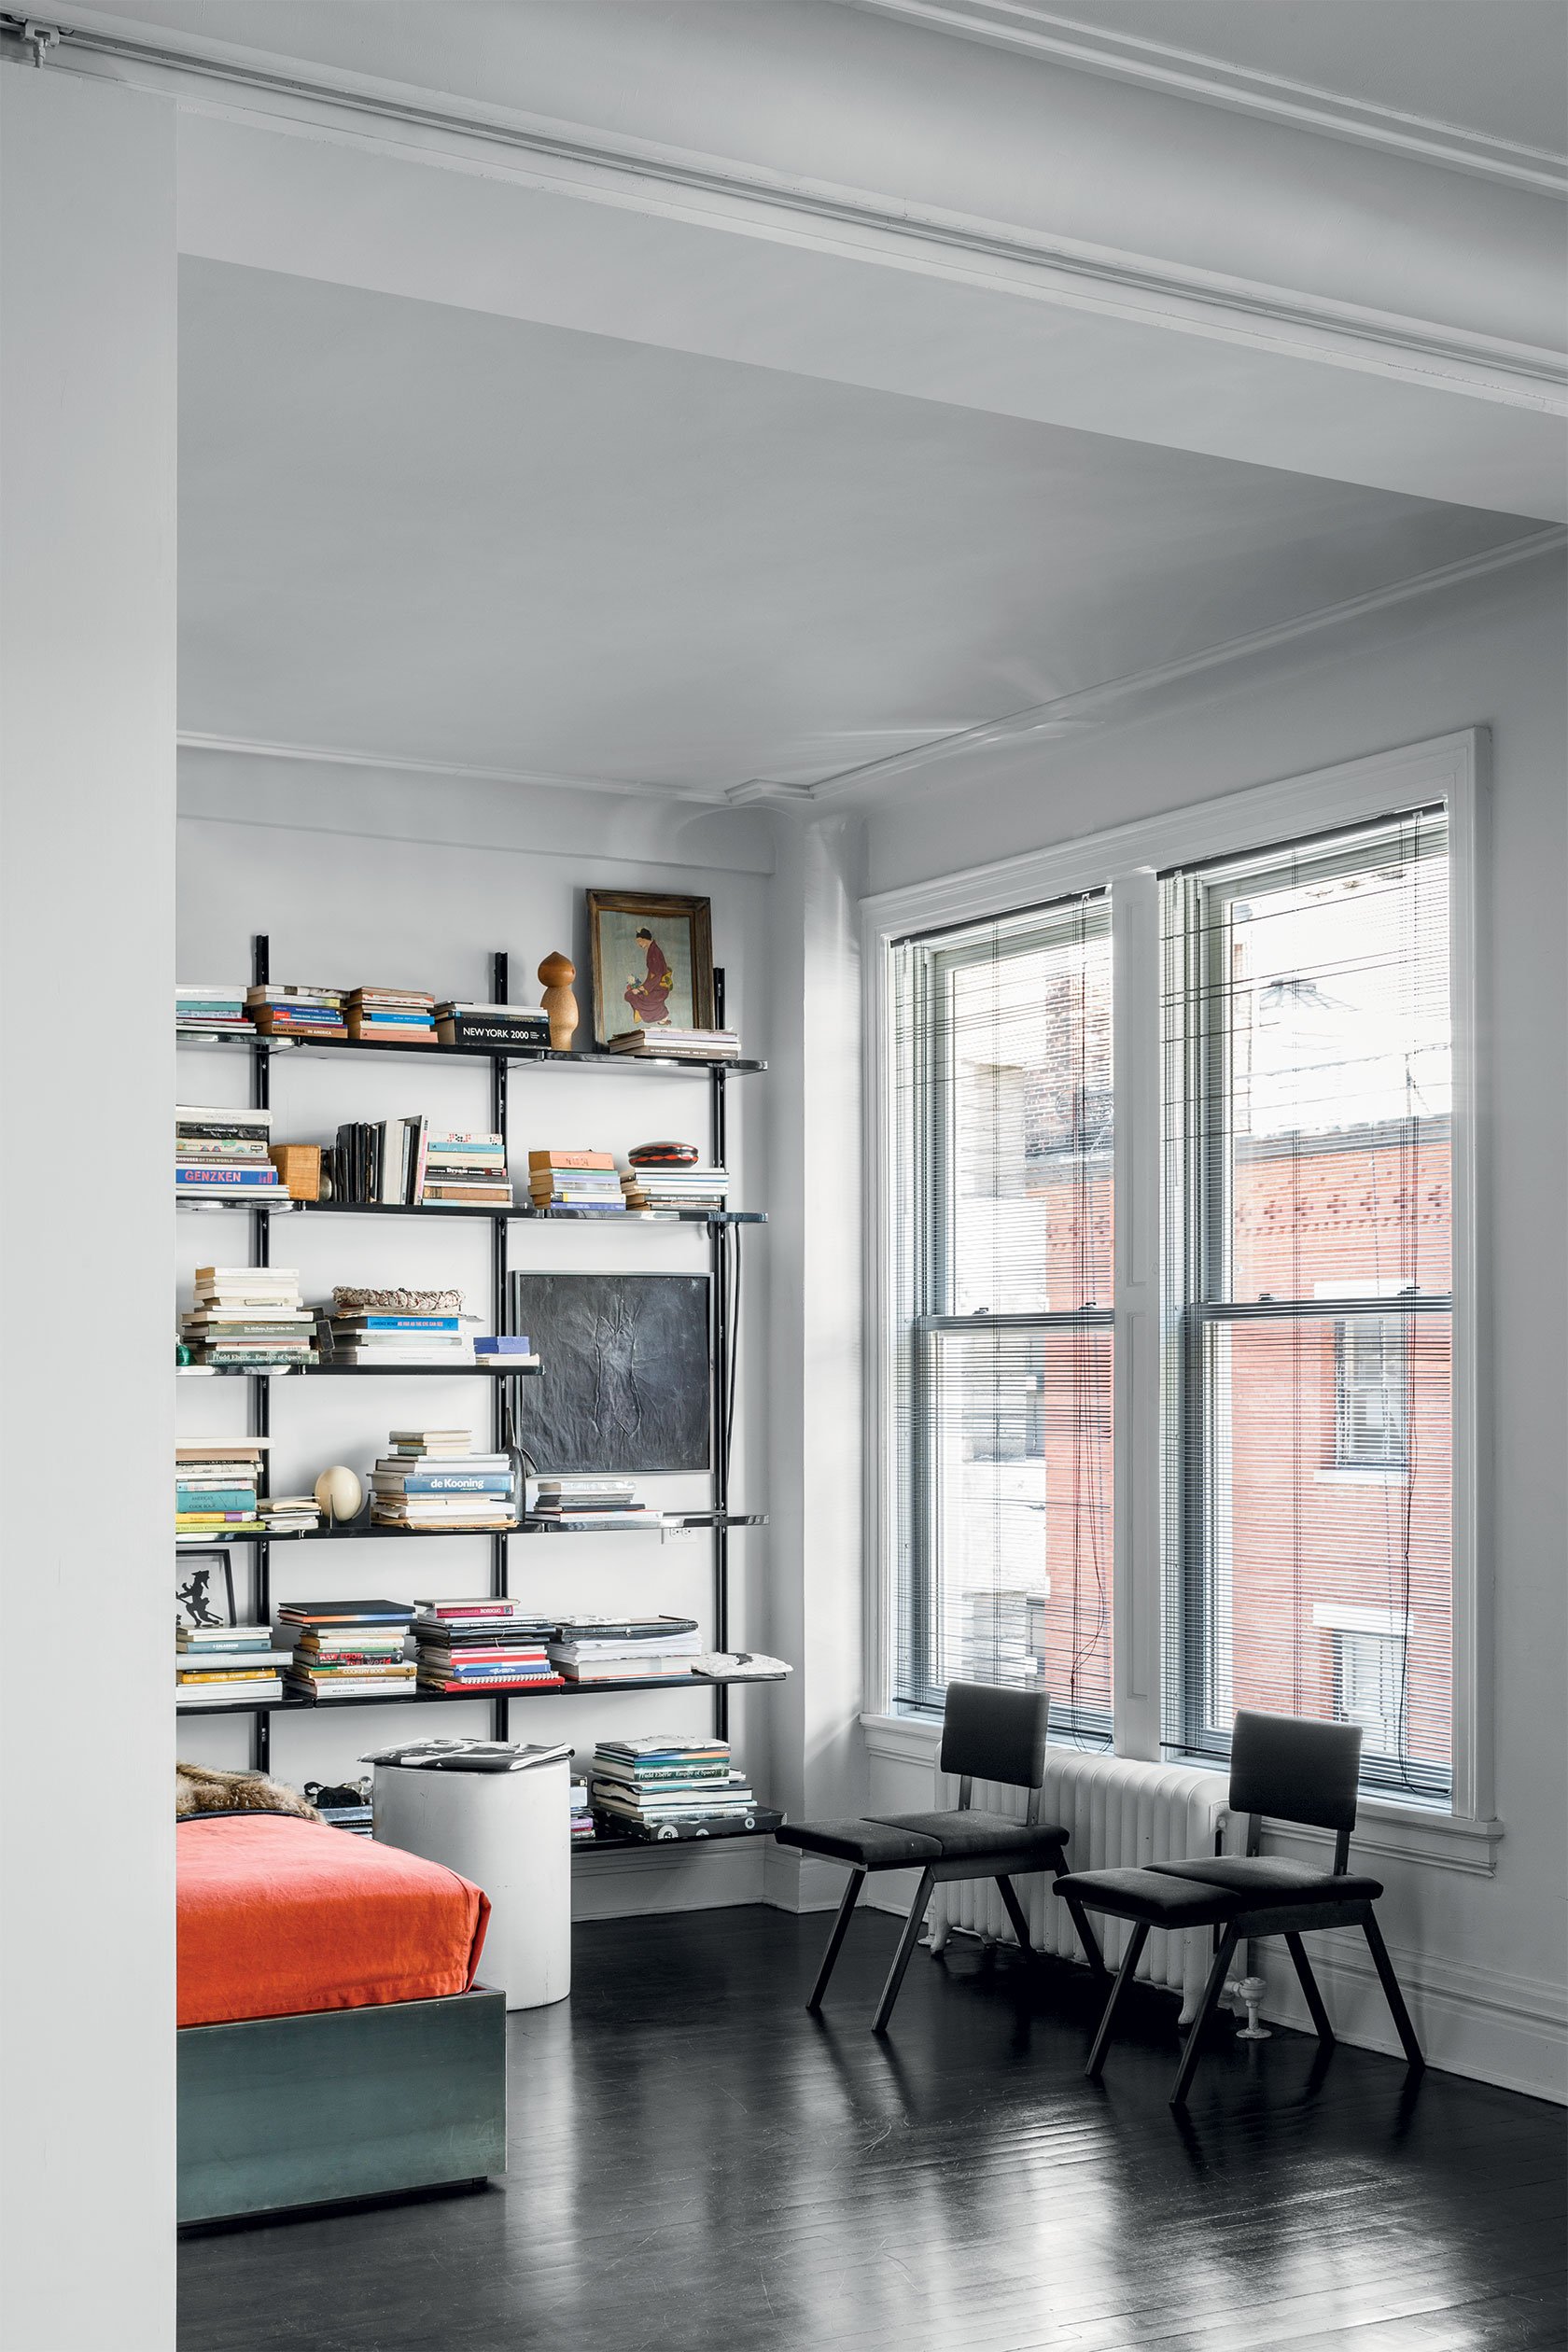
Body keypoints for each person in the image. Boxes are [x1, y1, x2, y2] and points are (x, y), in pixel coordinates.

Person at [623, 927, 675, 1026]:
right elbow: (652, 975)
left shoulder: (655, 951)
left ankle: (660, 1014)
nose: (639, 944)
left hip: (659, 989)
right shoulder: (652, 950)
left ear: (644, 939)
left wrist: (643, 988)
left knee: (631, 995)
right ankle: (642, 1011)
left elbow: (658, 975)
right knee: (630, 994)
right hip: (654, 985)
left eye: (639, 941)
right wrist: (642, 987)